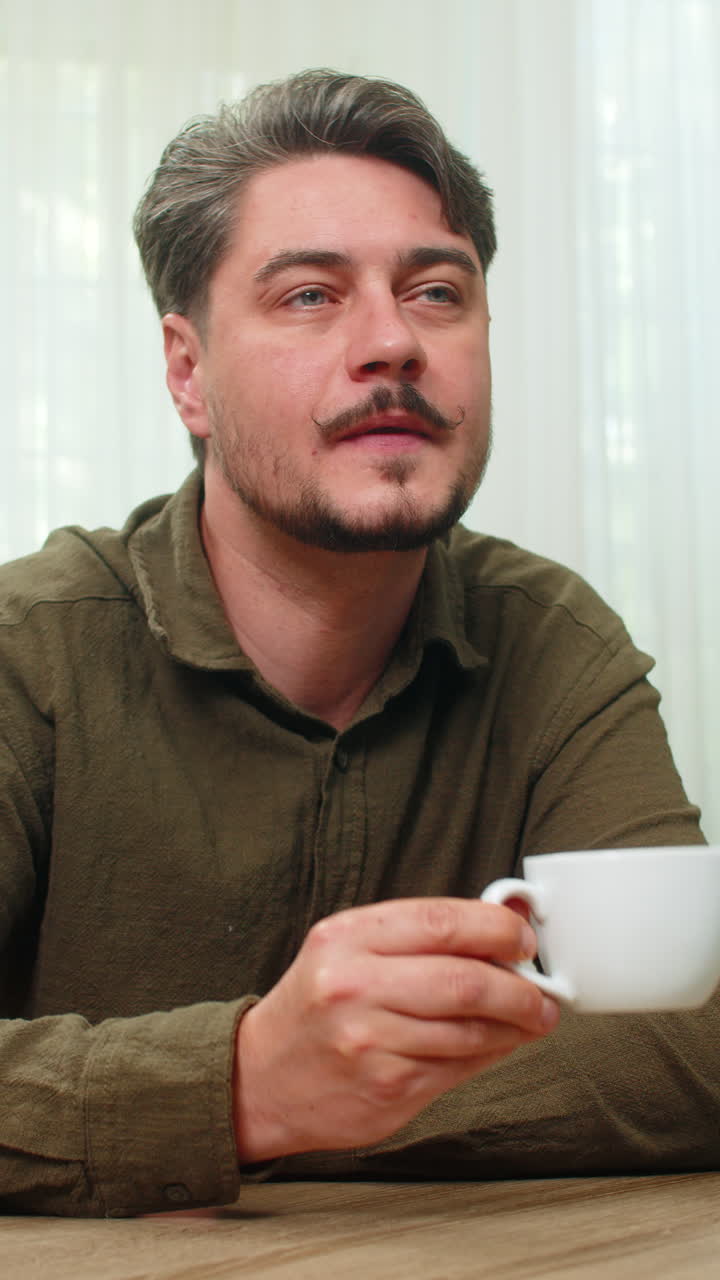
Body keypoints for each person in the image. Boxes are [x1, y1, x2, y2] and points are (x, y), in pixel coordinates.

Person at [0, 68, 717, 1220]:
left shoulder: (555, 641)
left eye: (437, 291)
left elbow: (688, 1051)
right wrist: (242, 1084)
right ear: (188, 371)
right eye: (308, 297)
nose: (392, 342)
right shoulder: (27, 653)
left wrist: (302, 1104)